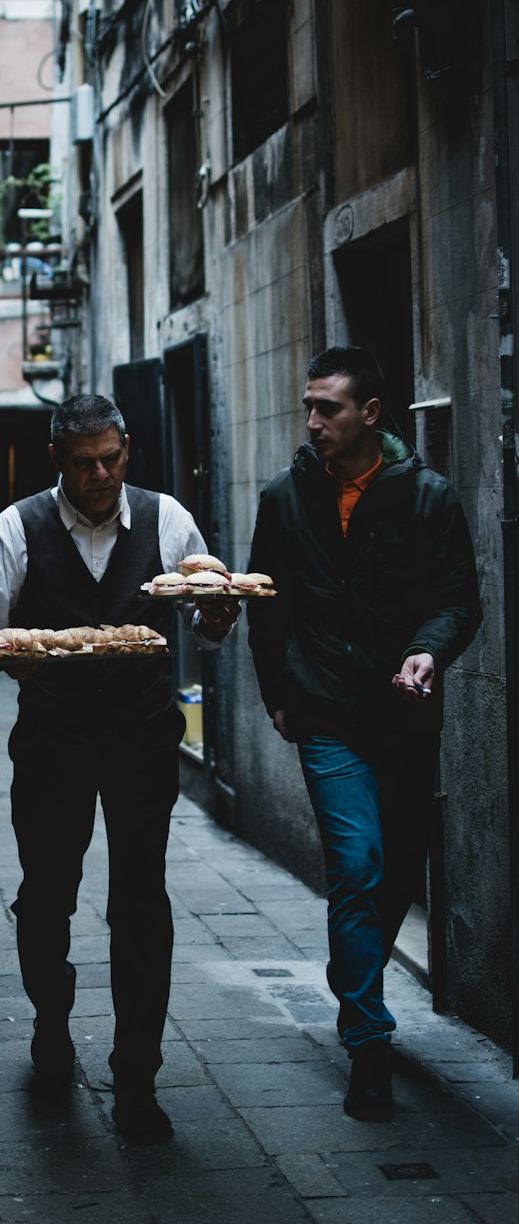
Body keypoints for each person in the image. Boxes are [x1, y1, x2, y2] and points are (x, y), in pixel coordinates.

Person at [0, 394, 239, 1145]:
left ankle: (136, 1076)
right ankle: (51, 1020)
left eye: (110, 458)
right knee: (47, 896)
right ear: (59, 461)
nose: (100, 474)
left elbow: (207, 622)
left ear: (127, 447)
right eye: (83, 463)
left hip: (143, 739)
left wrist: (216, 615)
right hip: (52, 742)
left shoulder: (167, 520)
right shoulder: (17, 528)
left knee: (142, 901)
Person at [246, 346, 482, 1121]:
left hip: (404, 715)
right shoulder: (285, 500)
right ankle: (368, 1043)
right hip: (325, 714)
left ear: (370, 414)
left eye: (328, 408)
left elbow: (458, 599)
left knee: (397, 876)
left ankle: (355, 974)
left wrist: (427, 649)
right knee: (357, 864)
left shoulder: (429, 498)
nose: (311, 421)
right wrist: (279, 692)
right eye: (308, 406)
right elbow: (266, 603)